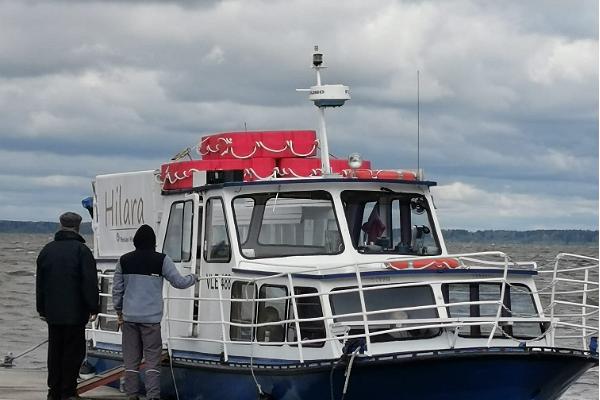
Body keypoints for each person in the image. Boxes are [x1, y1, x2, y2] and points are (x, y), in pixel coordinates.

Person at [112, 224, 197, 400]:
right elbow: (179, 282)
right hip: (151, 320)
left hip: (129, 318)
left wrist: (119, 311)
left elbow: (117, 290)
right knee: (152, 360)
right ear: (153, 242)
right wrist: (194, 278)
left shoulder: (123, 260)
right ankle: (153, 396)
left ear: (135, 241)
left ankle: (132, 395)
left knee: (131, 360)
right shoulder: (162, 260)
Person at [36, 211, 99, 400]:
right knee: (73, 352)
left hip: (53, 312)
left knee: (54, 352)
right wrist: (93, 307)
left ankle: (53, 390)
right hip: (75, 313)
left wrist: (42, 309)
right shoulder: (82, 251)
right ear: (78, 227)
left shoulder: (47, 250)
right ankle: (68, 390)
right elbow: (89, 282)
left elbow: (40, 283)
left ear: (60, 225)